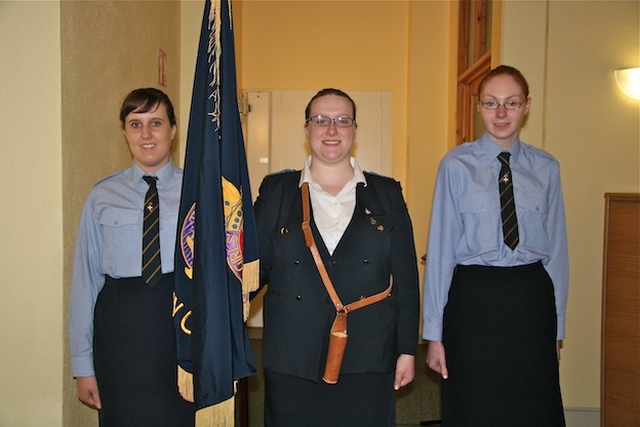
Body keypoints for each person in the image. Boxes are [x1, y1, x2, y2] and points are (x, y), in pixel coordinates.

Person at [253, 88, 420, 426]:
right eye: (321, 120)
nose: (332, 130)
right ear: (307, 129)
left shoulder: (386, 194)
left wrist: (407, 350)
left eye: (342, 121)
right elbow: (252, 271)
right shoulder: (277, 193)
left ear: (354, 130)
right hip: (293, 355)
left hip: (369, 352)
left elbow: (406, 280)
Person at [423, 65, 568, 426]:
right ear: (478, 106)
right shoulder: (455, 166)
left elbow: (558, 254)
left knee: (532, 406)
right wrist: (434, 335)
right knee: (475, 406)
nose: (501, 113)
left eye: (512, 103)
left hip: (531, 301)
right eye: (491, 103)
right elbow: (439, 253)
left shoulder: (547, 168)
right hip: (473, 301)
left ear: (527, 106)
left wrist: (557, 329)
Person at [68, 88, 195, 426]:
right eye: (135, 124)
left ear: (173, 129)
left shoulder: (199, 192)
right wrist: (83, 366)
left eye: (156, 122)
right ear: (124, 132)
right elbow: (85, 281)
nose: (146, 134)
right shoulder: (101, 195)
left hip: (181, 332)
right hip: (119, 337)